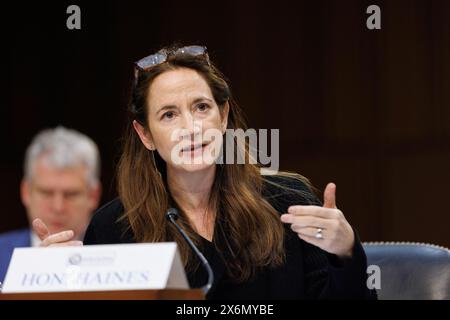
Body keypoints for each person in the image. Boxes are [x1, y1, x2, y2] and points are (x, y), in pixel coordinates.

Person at [34, 45, 376, 299]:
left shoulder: (288, 203)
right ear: (146, 135)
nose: (191, 128)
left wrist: (345, 253)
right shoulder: (114, 228)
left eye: (201, 107)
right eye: (169, 115)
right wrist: (59, 287)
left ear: (223, 117)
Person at [0, 126, 102, 283]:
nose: (58, 207)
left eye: (71, 194)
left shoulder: (117, 254)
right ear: (26, 192)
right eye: (46, 193)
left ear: (93, 196)